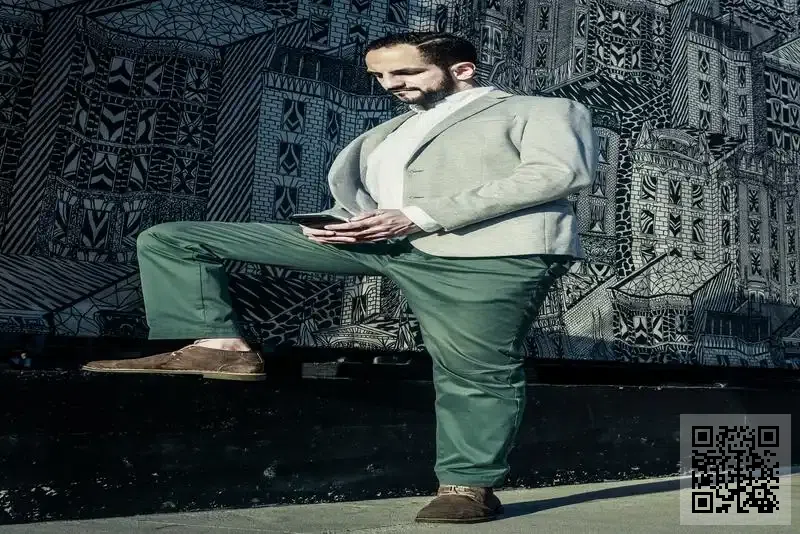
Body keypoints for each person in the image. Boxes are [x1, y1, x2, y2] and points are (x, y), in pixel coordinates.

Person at [82, 31, 597, 524]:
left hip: (483, 255)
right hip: (376, 242)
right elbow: (371, 198)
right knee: (174, 239)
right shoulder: (390, 131)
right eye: (379, 76)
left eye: (404, 73)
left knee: (473, 371)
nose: (390, 84)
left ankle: (467, 487)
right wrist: (337, 224)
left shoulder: (542, 110)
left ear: (461, 69)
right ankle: (220, 347)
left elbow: (556, 174)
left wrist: (418, 216)